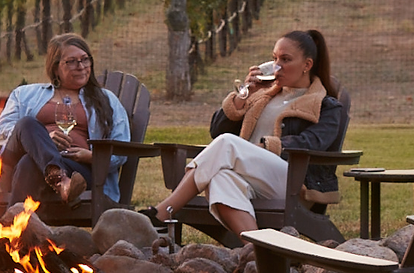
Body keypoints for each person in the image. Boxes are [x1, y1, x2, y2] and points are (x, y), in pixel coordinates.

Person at [145, 30, 350, 235]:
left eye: (286, 60)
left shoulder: (326, 106)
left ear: (307, 65)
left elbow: (312, 142)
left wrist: (266, 146)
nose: (277, 66)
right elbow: (217, 131)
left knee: (228, 144)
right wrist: (244, 94)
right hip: (252, 178)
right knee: (221, 178)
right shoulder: (263, 95)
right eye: (274, 58)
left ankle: (164, 212)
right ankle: (254, 252)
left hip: (294, 183)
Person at [0, 34, 132, 209]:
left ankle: (14, 230)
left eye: (85, 60)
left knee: (28, 163)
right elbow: (2, 132)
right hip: (17, 165)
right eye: (71, 61)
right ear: (55, 67)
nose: (81, 66)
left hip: (78, 173)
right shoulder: (24, 95)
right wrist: (43, 139)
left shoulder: (107, 100)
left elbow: (121, 148)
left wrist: (92, 157)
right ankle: (60, 180)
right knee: (27, 124)